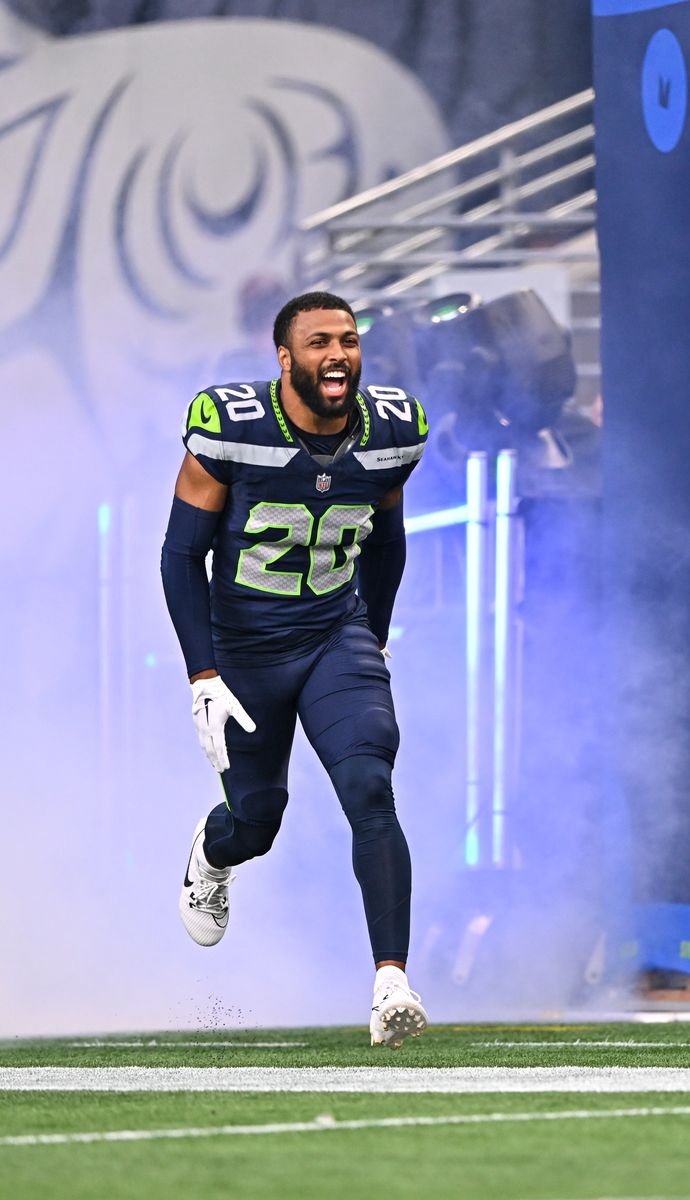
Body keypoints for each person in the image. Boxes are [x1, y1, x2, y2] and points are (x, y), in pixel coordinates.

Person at [161, 291, 429, 1047]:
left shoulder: (392, 429)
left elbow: (385, 538)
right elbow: (182, 553)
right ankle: (214, 852)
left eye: (347, 339)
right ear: (285, 358)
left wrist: (371, 636)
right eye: (319, 342)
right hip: (243, 648)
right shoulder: (232, 427)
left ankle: (390, 983)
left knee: (371, 785)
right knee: (257, 820)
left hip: (331, 635)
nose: (338, 353)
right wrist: (202, 674)